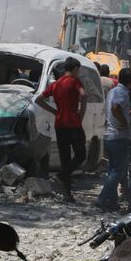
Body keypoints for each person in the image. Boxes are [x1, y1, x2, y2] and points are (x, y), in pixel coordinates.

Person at [35, 57, 87, 202]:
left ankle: (67, 195)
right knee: (80, 155)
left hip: (60, 124)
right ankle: (61, 176)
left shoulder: (56, 84)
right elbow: (83, 95)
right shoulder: (75, 81)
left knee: (65, 159)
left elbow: (39, 99)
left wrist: (54, 111)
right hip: (74, 124)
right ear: (75, 68)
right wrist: (81, 113)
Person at [96, 68, 131, 211]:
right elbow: (115, 107)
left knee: (112, 170)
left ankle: (112, 202)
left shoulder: (113, 91)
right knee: (118, 171)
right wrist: (124, 124)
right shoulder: (122, 93)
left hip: (110, 135)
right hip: (118, 136)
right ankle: (102, 199)